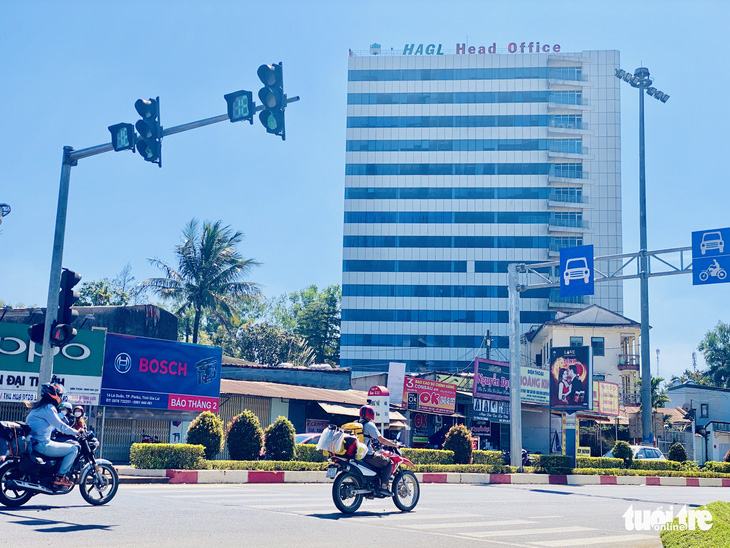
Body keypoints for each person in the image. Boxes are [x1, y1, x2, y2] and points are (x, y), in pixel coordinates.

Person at [26, 384, 80, 487]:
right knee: (73, 449)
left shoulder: (38, 408)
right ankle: (60, 477)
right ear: (54, 395)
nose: (61, 397)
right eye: (60, 394)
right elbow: (60, 426)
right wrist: (76, 432)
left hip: (34, 442)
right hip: (42, 444)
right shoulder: (49, 408)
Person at [359, 405, 400, 496]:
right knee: (389, 462)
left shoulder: (357, 424)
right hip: (368, 455)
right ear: (371, 414)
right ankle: (384, 487)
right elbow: (381, 440)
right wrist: (394, 445)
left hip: (357, 454)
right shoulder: (369, 425)